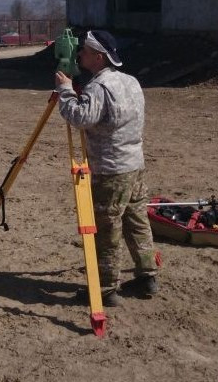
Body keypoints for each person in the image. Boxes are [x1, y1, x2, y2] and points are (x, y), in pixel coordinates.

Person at [54, 29, 158, 307]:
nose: (79, 55)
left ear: (98, 57)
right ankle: (147, 275)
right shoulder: (131, 81)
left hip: (111, 171)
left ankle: (105, 289)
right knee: (137, 222)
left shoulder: (99, 87)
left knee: (107, 229)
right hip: (134, 165)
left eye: (84, 52)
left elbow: (79, 117)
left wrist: (65, 90)